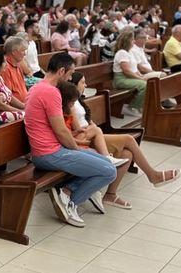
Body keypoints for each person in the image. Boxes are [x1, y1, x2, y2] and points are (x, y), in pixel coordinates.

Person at [25, 53, 116, 228]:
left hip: (48, 150)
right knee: (109, 171)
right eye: (70, 74)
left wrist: (74, 140)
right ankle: (70, 201)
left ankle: (67, 191)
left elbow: (53, 128)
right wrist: (76, 148)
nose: (70, 78)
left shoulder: (38, 87)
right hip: (48, 153)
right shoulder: (50, 91)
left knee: (105, 161)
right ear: (61, 71)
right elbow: (60, 131)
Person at [68, 73, 180, 210]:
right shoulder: (71, 102)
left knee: (127, 154)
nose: (85, 85)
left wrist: (95, 130)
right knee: (128, 139)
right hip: (85, 138)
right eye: (82, 82)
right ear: (73, 84)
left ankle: (110, 195)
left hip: (94, 136)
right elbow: (77, 128)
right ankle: (153, 175)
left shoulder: (79, 101)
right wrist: (93, 130)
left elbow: (89, 121)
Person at [111, 29, 149, 112]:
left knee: (150, 82)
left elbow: (134, 68)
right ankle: (132, 107)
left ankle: (142, 106)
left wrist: (141, 76)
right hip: (121, 80)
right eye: (132, 40)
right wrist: (141, 79)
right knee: (145, 85)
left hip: (128, 78)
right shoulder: (122, 53)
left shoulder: (128, 52)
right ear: (127, 41)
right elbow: (127, 71)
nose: (134, 41)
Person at [1, 36, 30, 102]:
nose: (25, 54)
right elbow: (8, 97)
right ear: (14, 52)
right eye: (23, 50)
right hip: (18, 107)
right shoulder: (5, 68)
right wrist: (24, 106)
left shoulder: (18, 64)